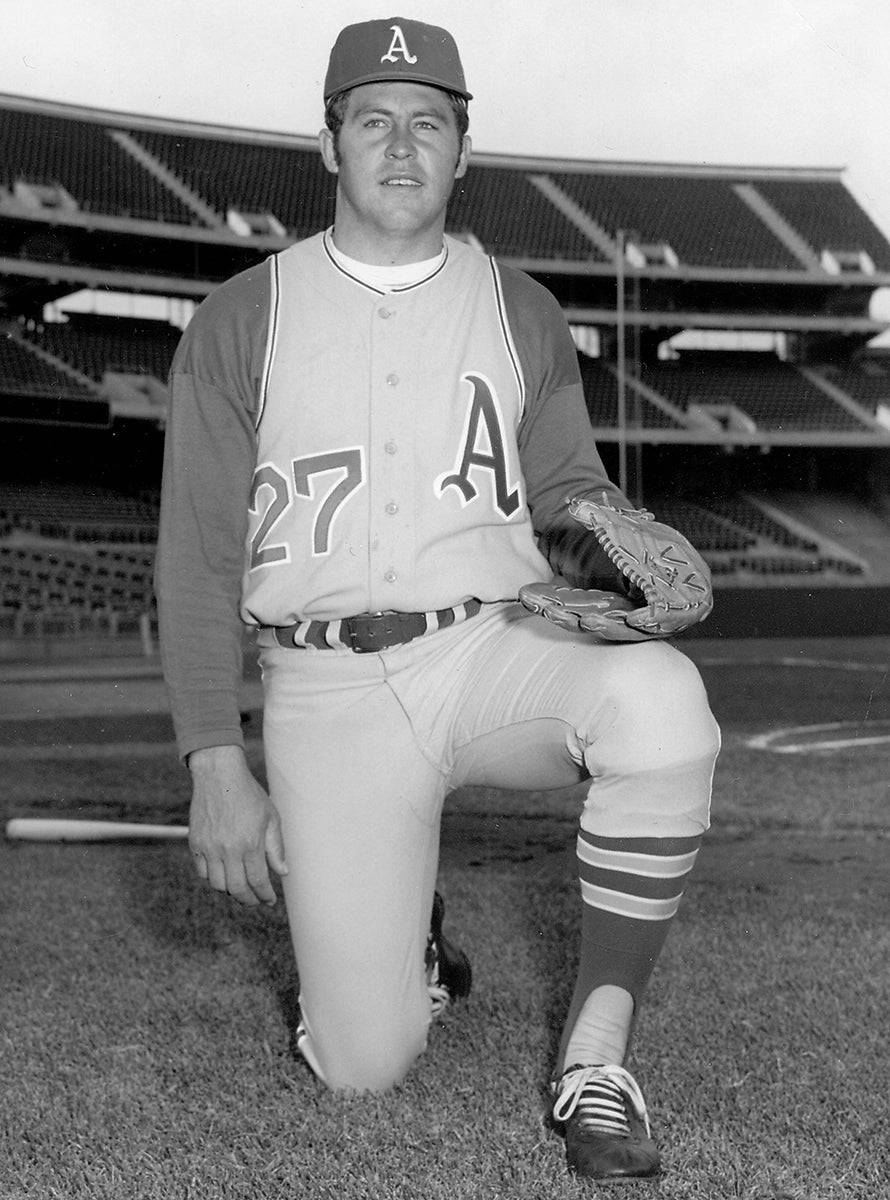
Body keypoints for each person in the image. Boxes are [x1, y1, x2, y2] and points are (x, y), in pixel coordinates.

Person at [155, 16, 721, 1182]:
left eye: (429, 124)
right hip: (323, 688)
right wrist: (215, 762)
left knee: (659, 704)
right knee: (359, 1063)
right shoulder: (237, 320)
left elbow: (569, 492)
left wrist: (615, 547)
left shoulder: (524, 311)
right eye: (374, 121)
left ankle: (596, 1057)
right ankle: (408, 933)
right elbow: (198, 555)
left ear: (463, 150)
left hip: (490, 648)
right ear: (329, 144)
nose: (401, 146)